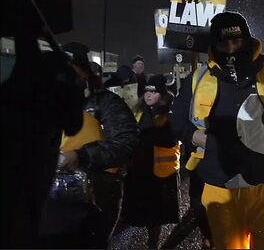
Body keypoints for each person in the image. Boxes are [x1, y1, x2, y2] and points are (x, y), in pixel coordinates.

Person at [170, 11, 264, 249]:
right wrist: (201, 139)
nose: (231, 49)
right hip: (219, 185)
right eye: (224, 43)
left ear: (247, 40)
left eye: (237, 41)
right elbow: (177, 121)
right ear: (214, 45)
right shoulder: (198, 78)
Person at [38, 42, 139, 248]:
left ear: (84, 73)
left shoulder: (106, 102)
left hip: (97, 197)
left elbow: (126, 142)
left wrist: (80, 156)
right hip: (47, 200)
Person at [121, 74, 181, 249]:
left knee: (157, 214)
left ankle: (153, 243)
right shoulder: (139, 113)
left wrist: (145, 136)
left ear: (162, 95)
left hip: (161, 171)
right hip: (141, 169)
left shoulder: (169, 114)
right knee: (145, 211)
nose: (148, 95)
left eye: (153, 92)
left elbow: (170, 138)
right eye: (147, 91)